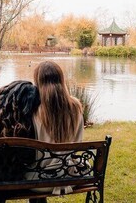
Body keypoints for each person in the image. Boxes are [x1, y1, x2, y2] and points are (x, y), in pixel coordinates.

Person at [28, 61, 84, 198]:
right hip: (70, 176)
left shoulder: (33, 109)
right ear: (61, 79)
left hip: (38, 181)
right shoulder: (76, 107)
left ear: (38, 82)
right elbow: (78, 142)